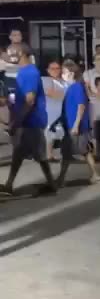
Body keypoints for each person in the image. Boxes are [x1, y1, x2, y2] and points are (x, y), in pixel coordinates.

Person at [0, 43, 56, 195]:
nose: (8, 55)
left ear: (21, 53)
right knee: (20, 153)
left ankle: (51, 185)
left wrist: (16, 122)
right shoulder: (23, 72)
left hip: (31, 121)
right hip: (26, 121)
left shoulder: (30, 73)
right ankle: (10, 184)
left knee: (38, 154)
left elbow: (30, 100)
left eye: (12, 51)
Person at [56, 60, 100, 188]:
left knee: (73, 153)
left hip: (76, 127)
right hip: (72, 126)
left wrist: (76, 125)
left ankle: (61, 179)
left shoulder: (77, 87)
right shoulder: (73, 88)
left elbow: (81, 106)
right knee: (80, 152)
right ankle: (95, 175)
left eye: (64, 72)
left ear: (71, 73)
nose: (63, 74)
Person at [42, 59, 66, 161]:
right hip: (50, 110)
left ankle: (65, 154)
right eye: (53, 68)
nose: (55, 70)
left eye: (57, 68)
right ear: (48, 70)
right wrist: (65, 95)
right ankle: (49, 155)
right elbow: (50, 93)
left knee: (62, 133)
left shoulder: (64, 81)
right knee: (49, 133)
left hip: (62, 110)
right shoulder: (44, 80)